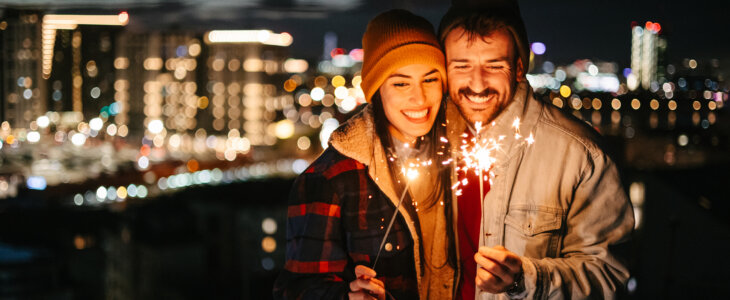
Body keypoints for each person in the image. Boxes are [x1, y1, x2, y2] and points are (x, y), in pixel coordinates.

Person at [438, 1, 635, 299]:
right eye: (462, 66)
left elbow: (608, 275)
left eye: (494, 65)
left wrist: (526, 279)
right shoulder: (429, 140)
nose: (477, 84)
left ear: (519, 67)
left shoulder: (579, 156)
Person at [274, 9, 458, 300]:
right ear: (375, 89)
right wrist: (347, 297)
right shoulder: (331, 180)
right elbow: (295, 290)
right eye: (401, 83)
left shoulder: (459, 159)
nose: (419, 98)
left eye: (430, 79)